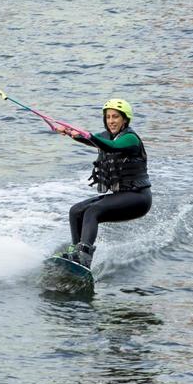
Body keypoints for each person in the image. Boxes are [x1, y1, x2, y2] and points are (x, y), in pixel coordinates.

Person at [48, 98, 152, 268]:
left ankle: (84, 257)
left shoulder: (130, 139)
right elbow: (92, 140)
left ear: (125, 119)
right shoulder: (106, 136)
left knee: (92, 211)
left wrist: (89, 136)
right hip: (122, 195)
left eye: (115, 117)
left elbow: (110, 146)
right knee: (75, 211)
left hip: (138, 198)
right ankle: (76, 253)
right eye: (108, 117)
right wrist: (68, 132)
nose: (111, 121)